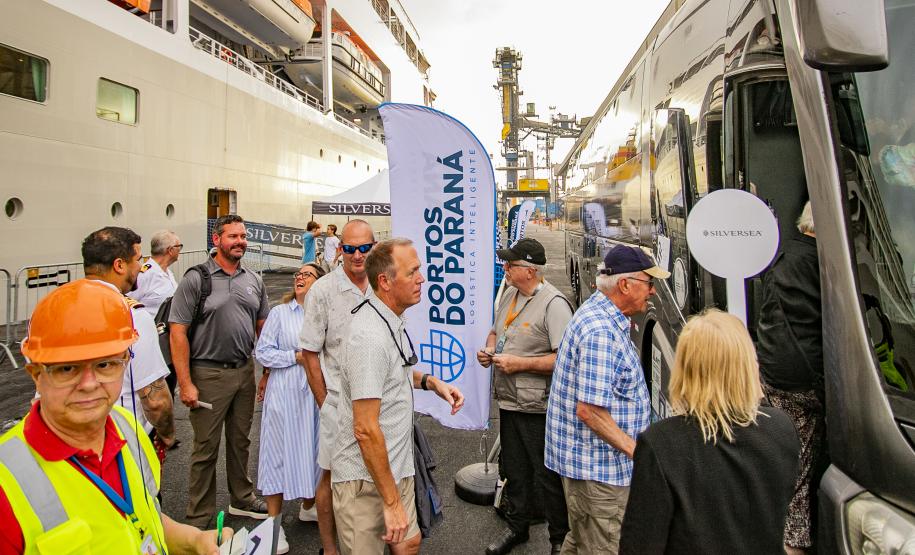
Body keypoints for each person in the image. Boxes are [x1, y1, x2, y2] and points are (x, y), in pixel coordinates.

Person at [0, 279, 231, 554]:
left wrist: (193, 540)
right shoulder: (8, 483)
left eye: (105, 364)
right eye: (67, 369)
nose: (89, 383)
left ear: (124, 363)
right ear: (37, 376)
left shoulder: (127, 427)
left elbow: (141, 520)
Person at [619, 310, 801, 554]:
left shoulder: (661, 444)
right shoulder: (781, 429)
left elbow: (639, 544)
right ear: (747, 364)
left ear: (687, 368)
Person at [332, 238, 464, 555]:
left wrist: (431, 382)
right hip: (364, 481)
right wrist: (391, 503)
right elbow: (364, 428)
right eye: (413, 272)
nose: (422, 279)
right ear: (385, 282)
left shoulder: (390, 319)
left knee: (409, 542)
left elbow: (394, 374)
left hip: (396, 466)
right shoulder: (369, 337)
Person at [545, 244, 669, 554]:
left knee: (582, 540)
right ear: (625, 285)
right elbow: (589, 411)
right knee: (603, 546)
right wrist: (638, 452)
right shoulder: (601, 331)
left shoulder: (603, 315)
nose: (652, 292)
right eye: (649, 284)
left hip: (593, 472)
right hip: (598, 476)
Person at [169, 214, 270, 527]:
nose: (240, 242)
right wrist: (185, 383)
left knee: (241, 441)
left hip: (244, 372)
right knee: (205, 448)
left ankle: (242, 498)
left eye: (243, 236)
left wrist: (265, 371)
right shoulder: (196, 279)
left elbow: (262, 328)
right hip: (208, 374)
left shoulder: (253, 279)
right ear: (217, 240)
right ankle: (199, 515)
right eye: (233, 237)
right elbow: (177, 332)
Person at [477, 238, 573, 555]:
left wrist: (520, 364)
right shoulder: (510, 293)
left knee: (546, 475)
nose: (505, 268)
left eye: (511, 264)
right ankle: (517, 528)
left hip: (538, 407)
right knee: (515, 470)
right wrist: (490, 349)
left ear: (530, 270)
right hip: (508, 400)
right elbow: (495, 331)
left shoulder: (555, 304)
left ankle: (559, 540)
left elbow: (565, 360)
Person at [299, 219, 377, 555]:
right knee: (331, 478)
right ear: (339, 249)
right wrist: (324, 403)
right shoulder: (322, 291)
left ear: (374, 248)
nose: (357, 255)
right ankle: (330, 549)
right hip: (337, 402)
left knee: (377, 472)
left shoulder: (383, 285)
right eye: (349, 248)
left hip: (377, 404)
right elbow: (310, 352)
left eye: (364, 248)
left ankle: (373, 539)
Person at [755, 201, 828, 553]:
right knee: (798, 473)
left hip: (773, 372)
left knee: (781, 458)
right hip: (802, 381)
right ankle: (791, 544)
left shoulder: (783, 254)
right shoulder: (822, 261)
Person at [82, 227, 175, 456]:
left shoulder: (52, 310)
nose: (140, 268)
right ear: (119, 265)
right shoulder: (132, 316)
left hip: (69, 438)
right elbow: (155, 399)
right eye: (138, 260)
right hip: (122, 442)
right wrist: (168, 436)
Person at [254, 263, 325, 554]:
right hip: (285, 392)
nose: (299, 277)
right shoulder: (280, 314)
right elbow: (263, 351)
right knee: (278, 454)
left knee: (316, 451)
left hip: (315, 393)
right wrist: (296, 356)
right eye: (298, 274)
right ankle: (273, 524)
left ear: (320, 283)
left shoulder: (325, 315)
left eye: (307, 274)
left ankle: (309, 506)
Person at [129, 229, 182, 317]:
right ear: (170, 250)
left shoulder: (168, 273)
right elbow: (127, 302)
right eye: (179, 246)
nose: (180, 250)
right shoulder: (144, 275)